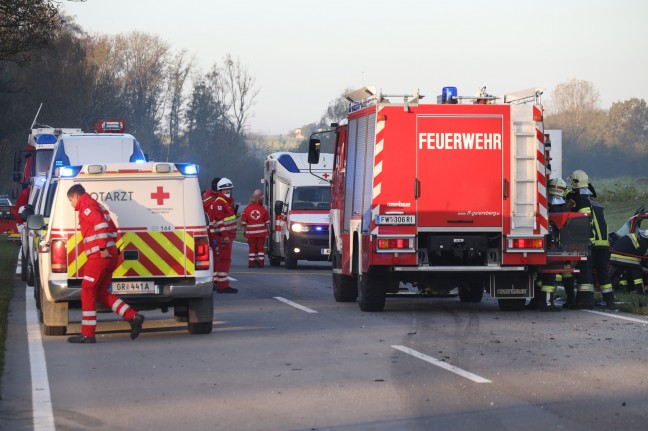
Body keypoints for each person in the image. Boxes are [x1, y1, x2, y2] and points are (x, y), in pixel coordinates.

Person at [66, 184, 144, 343]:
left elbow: (100, 224)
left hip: (99, 257)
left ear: (76, 196)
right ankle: (133, 317)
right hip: (109, 256)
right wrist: (110, 248)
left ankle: (88, 334)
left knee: (87, 290)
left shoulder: (87, 206)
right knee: (101, 293)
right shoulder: (98, 206)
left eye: (70, 200)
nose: (71, 204)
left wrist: (102, 248)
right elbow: (113, 230)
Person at [565, 170, 615, 309]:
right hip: (604, 244)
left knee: (585, 271)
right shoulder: (595, 201)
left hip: (590, 244)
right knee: (602, 271)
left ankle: (585, 301)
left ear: (574, 183)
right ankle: (609, 301)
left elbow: (573, 216)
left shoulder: (578, 201)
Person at [527, 177, 567, 311]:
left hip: (538, 244)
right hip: (551, 245)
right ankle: (547, 303)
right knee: (549, 275)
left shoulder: (543, 203)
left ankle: (536, 301)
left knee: (538, 276)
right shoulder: (560, 207)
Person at [207, 178, 238, 293]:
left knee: (224, 259)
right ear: (220, 190)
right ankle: (222, 284)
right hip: (223, 237)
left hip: (227, 235)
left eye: (229, 189)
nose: (227, 191)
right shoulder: (220, 202)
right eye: (225, 190)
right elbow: (219, 221)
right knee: (224, 259)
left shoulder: (226, 202)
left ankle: (220, 282)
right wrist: (224, 236)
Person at [609, 230, 648, 294]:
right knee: (637, 271)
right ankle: (641, 292)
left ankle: (623, 289)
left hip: (614, 257)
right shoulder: (644, 241)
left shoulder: (636, 236)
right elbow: (640, 256)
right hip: (625, 256)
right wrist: (643, 268)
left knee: (622, 272)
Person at [242, 189, 270, 268]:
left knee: (252, 249)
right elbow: (267, 222)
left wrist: (244, 231)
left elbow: (244, 223)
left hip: (251, 234)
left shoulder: (247, 209)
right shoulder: (263, 209)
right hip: (261, 233)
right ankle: (261, 263)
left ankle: (251, 263)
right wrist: (268, 231)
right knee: (260, 248)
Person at [203, 177, 221, 285]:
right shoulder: (212, 201)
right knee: (215, 258)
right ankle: (215, 281)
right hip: (213, 234)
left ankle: (216, 280)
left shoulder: (208, 199)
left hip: (212, 233)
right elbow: (212, 220)